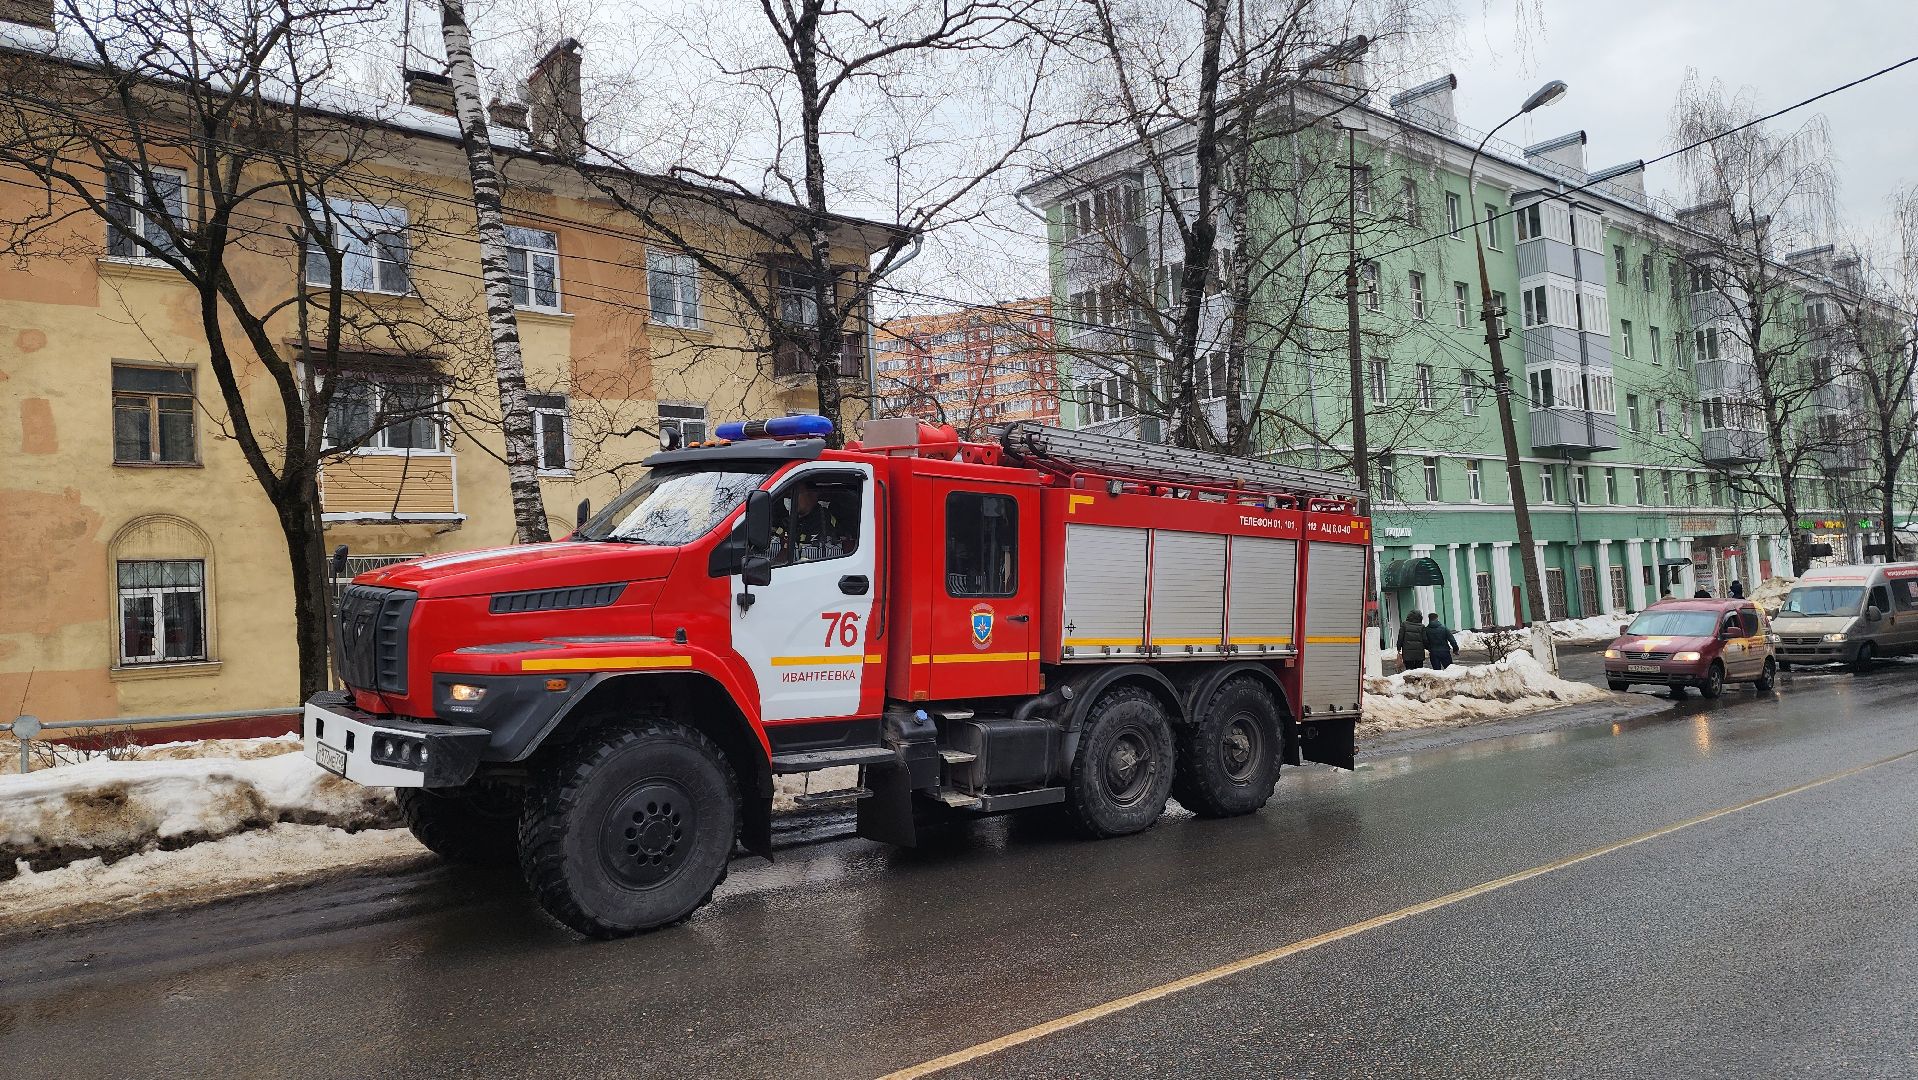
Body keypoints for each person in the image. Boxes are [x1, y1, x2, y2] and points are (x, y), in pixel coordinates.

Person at [772, 481, 853, 565]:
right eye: (789, 494)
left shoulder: (826, 520)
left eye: (796, 492)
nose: (790, 498)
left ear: (813, 494)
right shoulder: (786, 521)